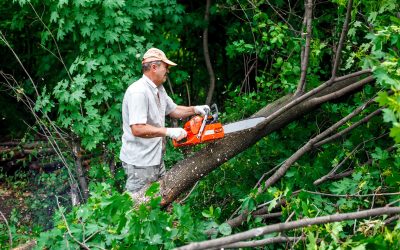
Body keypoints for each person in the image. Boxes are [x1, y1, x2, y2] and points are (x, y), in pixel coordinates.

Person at [119, 47, 210, 195]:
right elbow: (137, 129)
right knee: (137, 206)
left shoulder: (158, 88)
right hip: (140, 163)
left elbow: (173, 110)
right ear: (154, 67)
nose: (167, 71)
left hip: (155, 158)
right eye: (165, 67)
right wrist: (169, 132)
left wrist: (195, 109)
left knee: (159, 199)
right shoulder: (138, 92)